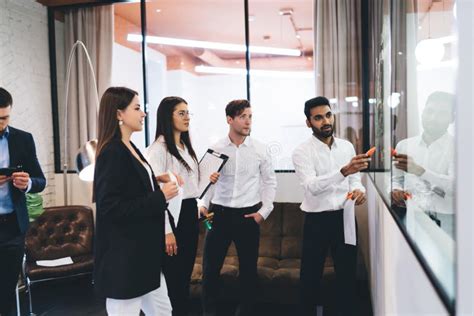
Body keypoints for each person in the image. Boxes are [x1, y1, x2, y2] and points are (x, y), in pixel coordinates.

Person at [93, 87, 178, 316]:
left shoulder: (131, 147)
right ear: (119, 114)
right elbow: (110, 207)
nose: (143, 114)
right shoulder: (112, 152)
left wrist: (154, 179)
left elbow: (130, 187)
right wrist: (160, 196)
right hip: (125, 258)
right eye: (137, 108)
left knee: (162, 311)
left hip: (144, 255)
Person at [292, 96, 369, 316]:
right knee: (310, 277)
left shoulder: (346, 146)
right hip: (316, 221)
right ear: (308, 122)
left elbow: (355, 181)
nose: (325, 121)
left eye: (328, 115)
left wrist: (359, 193)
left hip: (344, 217)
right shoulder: (301, 152)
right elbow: (311, 187)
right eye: (318, 118)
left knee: (347, 275)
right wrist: (343, 171)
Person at [200, 99, 277, 316]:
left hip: (248, 216)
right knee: (210, 270)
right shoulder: (215, 149)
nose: (248, 121)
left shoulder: (260, 149)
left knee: (248, 273)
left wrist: (263, 213)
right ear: (229, 119)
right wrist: (203, 205)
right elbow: (204, 183)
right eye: (243, 116)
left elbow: (270, 182)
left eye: (250, 116)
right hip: (218, 215)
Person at [146, 96, 219, 316]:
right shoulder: (158, 149)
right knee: (172, 281)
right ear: (167, 117)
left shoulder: (185, 146)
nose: (187, 117)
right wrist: (167, 232)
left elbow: (189, 188)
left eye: (188, 112)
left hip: (188, 214)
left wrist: (207, 184)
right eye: (181, 113)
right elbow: (157, 194)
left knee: (183, 278)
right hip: (171, 219)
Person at [0, 87, 46, 316]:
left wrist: (27, 183)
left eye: (5, 118)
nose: (1, 123)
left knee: (7, 291)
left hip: (12, 227)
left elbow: (41, 180)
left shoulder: (23, 139)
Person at [392, 91, 455, 237]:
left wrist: (420, 171)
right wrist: (395, 190)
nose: (433, 118)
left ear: (452, 118)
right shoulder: (405, 145)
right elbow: (397, 179)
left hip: (445, 221)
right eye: (430, 111)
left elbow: (456, 187)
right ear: (423, 113)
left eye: (442, 113)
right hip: (411, 216)